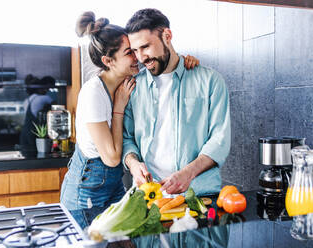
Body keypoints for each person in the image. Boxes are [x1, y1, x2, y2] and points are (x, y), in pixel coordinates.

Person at [60, 11, 200, 212]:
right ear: (108, 61)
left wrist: (187, 62)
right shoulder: (93, 93)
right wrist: (118, 109)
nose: (138, 57)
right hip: (85, 193)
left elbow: (166, 61)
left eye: (135, 49)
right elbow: (112, 158)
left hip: (113, 186)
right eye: (129, 52)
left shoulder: (126, 83)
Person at [122, 8, 231, 196]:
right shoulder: (133, 87)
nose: (141, 58)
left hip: (198, 195)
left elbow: (219, 140)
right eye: (135, 50)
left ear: (167, 36)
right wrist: (132, 164)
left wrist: (187, 173)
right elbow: (127, 137)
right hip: (147, 196)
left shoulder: (210, 81)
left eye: (146, 47)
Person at [20, 74, 55, 154]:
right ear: (39, 88)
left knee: (27, 155)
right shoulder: (44, 98)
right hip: (35, 134)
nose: (46, 91)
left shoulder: (27, 100)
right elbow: (58, 107)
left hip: (24, 133)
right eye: (45, 89)